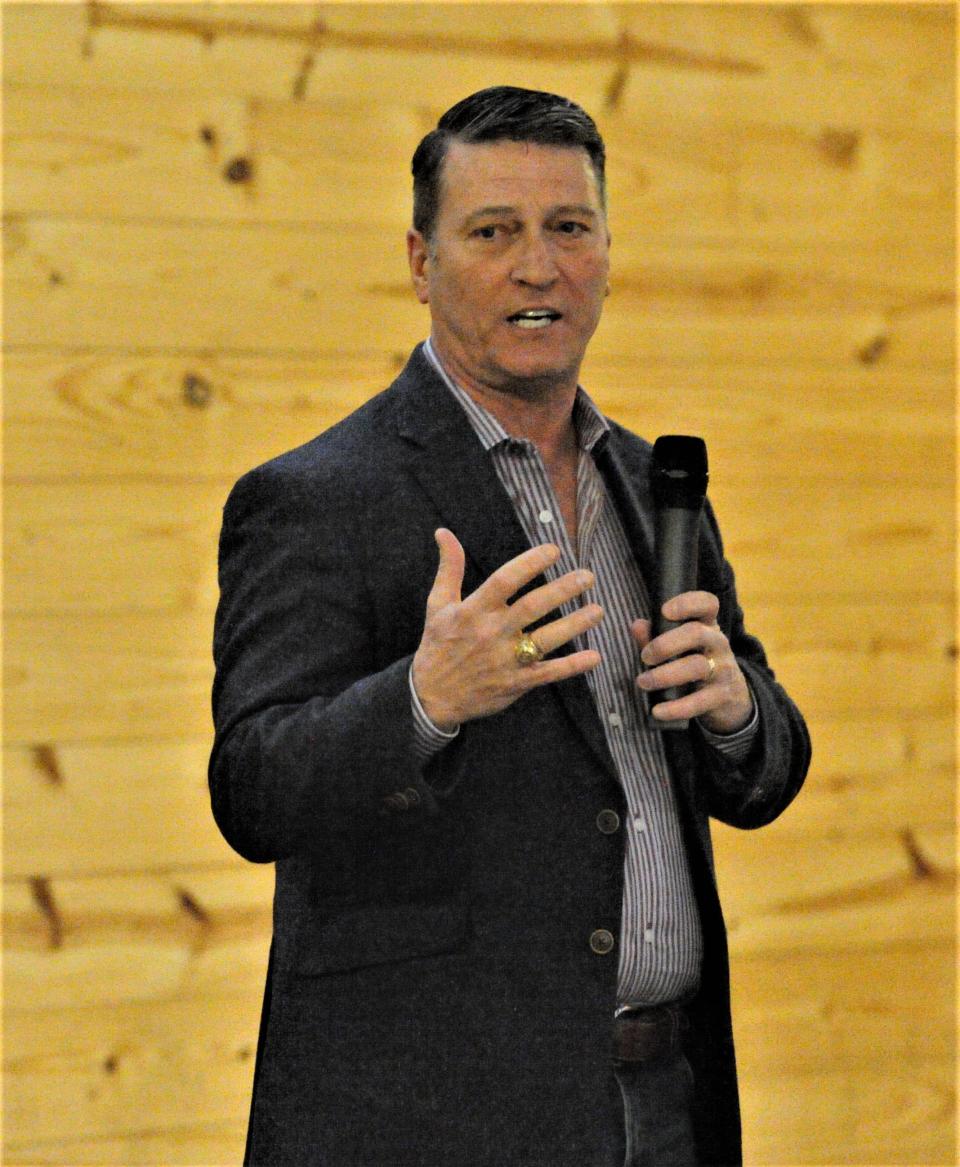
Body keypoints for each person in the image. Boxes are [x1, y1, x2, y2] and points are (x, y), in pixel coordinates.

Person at [209, 86, 810, 1167]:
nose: (539, 266)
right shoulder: (320, 497)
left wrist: (737, 715)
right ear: (421, 260)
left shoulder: (653, 484)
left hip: (664, 1101)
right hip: (432, 1122)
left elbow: (763, 768)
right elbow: (252, 787)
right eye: (494, 233)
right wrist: (424, 701)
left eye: (569, 229)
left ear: (608, 255)